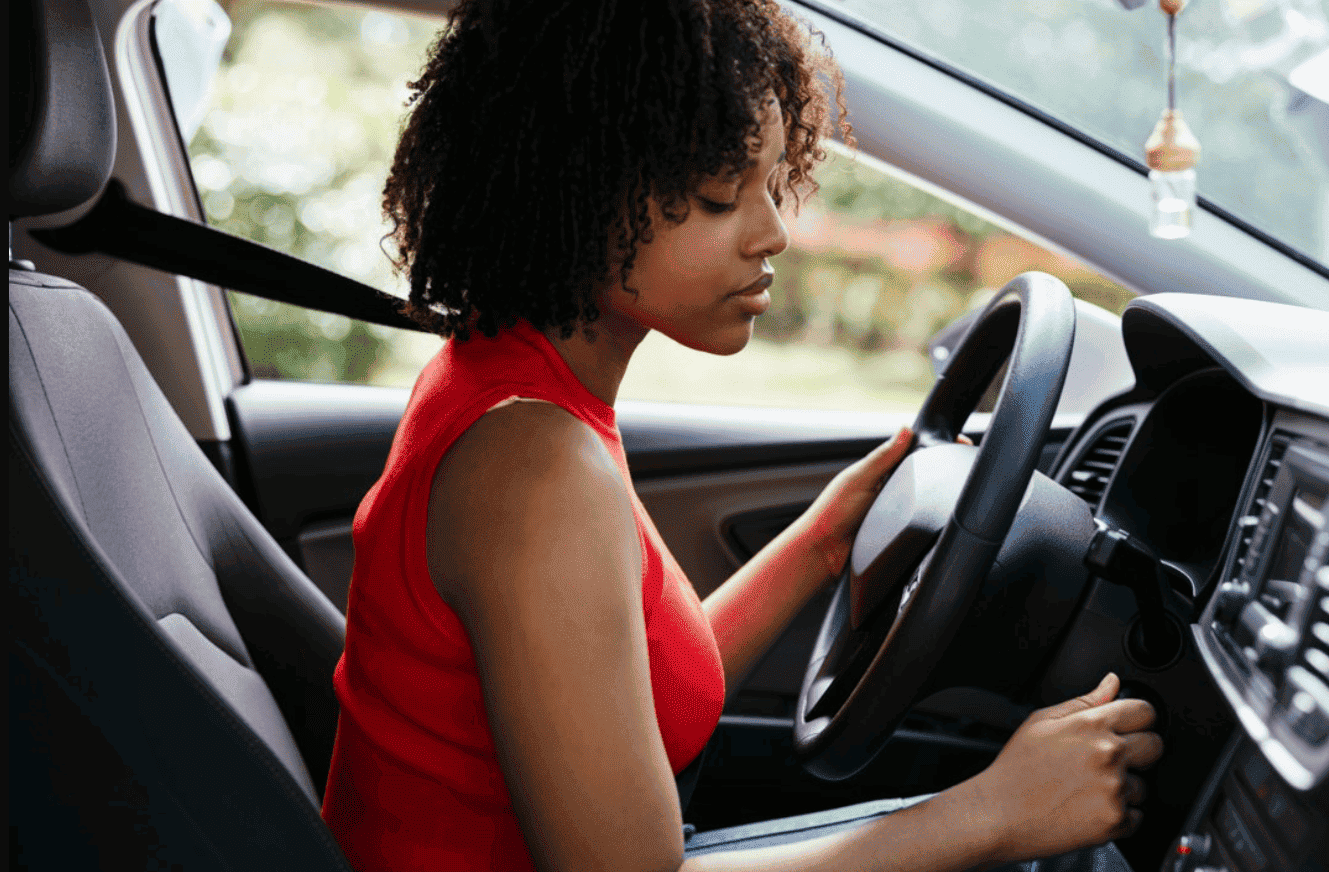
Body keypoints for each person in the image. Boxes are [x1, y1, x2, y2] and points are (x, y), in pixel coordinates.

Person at [319, 1, 1164, 870]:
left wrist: (823, 541)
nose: (772, 233)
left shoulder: (506, 386)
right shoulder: (535, 471)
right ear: (575, 191)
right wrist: (992, 812)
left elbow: (626, 694)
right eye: (722, 197)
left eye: (772, 183)